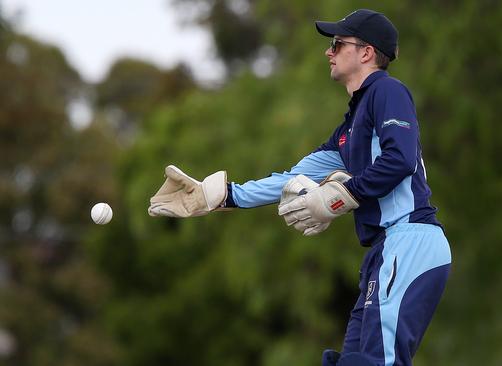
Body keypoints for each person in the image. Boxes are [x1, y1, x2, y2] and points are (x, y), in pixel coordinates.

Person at [148, 9, 451, 366]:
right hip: (386, 250)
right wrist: (223, 195)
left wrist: (344, 196)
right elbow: (292, 178)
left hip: (410, 239)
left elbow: (400, 159)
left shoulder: (387, 91)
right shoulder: (349, 129)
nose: (329, 51)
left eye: (338, 44)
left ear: (366, 53)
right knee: (352, 360)